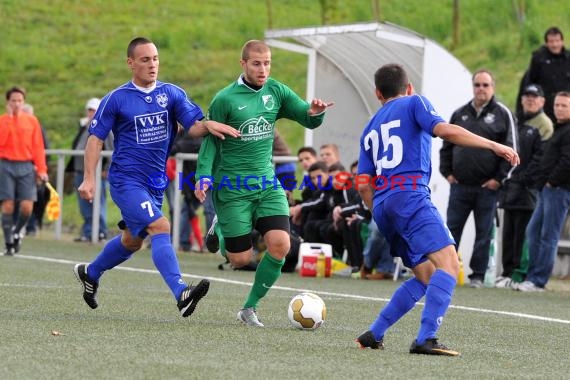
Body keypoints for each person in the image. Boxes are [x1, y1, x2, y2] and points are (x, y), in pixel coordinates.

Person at [355, 63, 518, 355]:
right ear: (409, 88)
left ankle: (374, 333)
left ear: (378, 93)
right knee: (450, 264)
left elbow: (363, 184)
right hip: (410, 195)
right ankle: (426, 338)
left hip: (382, 205)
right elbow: (444, 130)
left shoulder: (369, 127)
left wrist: (379, 211)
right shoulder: (414, 102)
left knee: (426, 275)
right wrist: (493, 145)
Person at [73, 37, 238, 317]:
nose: (153, 65)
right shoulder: (116, 98)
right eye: (145, 59)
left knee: (131, 242)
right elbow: (95, 139)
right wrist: (89, 179)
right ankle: (181, 293)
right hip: (126, 181)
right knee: (161, 226)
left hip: (155, 184)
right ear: (131, 63)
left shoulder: (171, 93)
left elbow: (193, 127)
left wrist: (208, 125)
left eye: (156, 58)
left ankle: (91, 272)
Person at [194, 39, 333, 327]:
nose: (263, 69)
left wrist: (316, 112)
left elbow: (305, 116)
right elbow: (209, 141)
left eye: (267, 63)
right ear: (243, 63)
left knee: (280, 245)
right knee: (240, 259)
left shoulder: (276, 91)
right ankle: (219, 228)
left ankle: (249, 308)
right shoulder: (224, 99)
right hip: (232, 189)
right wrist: (202, 176)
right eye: (257, 63)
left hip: (267, 185)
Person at [439, 69, 517, 288]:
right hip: (459, 186)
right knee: (450, 230)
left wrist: (498, 180)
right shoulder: (459, 113)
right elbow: (446, 145)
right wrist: (448, 173)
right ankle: (446, 271)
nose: (481, 89)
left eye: (485, 85)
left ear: (493, 87)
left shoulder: (503, 114)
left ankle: (478, 276)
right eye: (477, 85)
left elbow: (512, 149)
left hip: (487, 188)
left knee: (484, 233)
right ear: (472, 87)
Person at [517, 91, 570, 292]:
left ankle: (538, 281)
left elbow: (567, 161)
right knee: (533, 231)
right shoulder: (560, 128)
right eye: (557, 104)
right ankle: (532, 277)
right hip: (547, 191)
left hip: (558, 190)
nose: (559, 108)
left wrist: (551, 181)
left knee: (549, 236)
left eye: (564, 105)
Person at [496, 93, 544, 288]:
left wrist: (522, 179)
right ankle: (507, 272)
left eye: (534, 97)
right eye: (527, 97)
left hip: (527, 192)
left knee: (523, 235)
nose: (529, 101)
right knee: (508, 233)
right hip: (510, 190)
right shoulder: (516, 129)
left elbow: (538, 160)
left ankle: (519, 273)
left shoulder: (537, 130)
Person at [0, 87, 49, 256]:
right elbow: (2, 140)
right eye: (13, 100)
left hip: (27, 166)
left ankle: (17, 231)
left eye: (20, 101)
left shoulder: (32, 121)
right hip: (6, 165)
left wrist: (41, 169)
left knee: (27, 206)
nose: (16, 104)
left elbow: (38, 147)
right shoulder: (2, 121)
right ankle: (8, 242)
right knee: (7, 205)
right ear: (8, 102)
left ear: (24, 102)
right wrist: (10, 119)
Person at [68, 97, 114, 242]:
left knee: (98, 203)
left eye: (94, 110)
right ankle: (88, 232)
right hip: (80, 171)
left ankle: (101, 231)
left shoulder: (105, 126)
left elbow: (112, 149)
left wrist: (107, 168)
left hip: (97, 173)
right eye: (89, 110)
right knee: (84, 206)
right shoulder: (84, 126)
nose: (91, 113)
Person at [528, 27, 570, 122]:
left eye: (557, 41)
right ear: (546, 43)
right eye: (551, 41)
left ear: (562, 41)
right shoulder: (538, 58)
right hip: (545, 107)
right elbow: (531, 81)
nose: (555, 45)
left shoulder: (569, 58)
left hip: (566, 106)